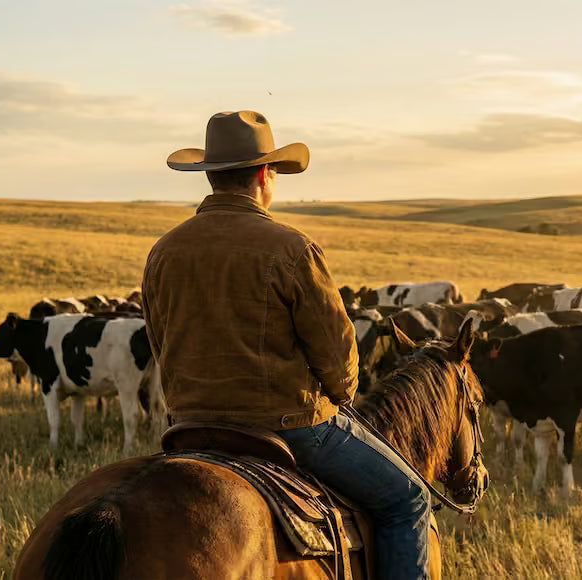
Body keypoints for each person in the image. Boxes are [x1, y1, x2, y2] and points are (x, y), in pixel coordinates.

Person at [142, 110, 432, 579]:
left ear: (212, 176)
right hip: (289, 426)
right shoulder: (291, 247)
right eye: (273, 170)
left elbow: (160, 341)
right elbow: (337, 355)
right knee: (407, 500)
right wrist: (341, 394)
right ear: (263, 174)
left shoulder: (164, 250)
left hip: (190, 425)